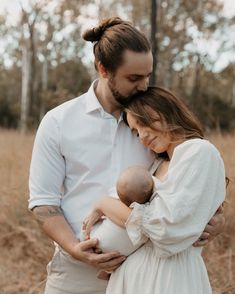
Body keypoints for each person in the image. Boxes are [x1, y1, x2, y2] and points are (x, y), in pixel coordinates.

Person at [28, 17, 225, 294]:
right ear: (103, 70)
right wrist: (77, 250)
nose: (144, 86)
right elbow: (43, 203)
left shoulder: (156, 126)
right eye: (134, 78)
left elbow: (187, 185)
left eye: (147, 76)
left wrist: (214, 220)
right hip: (75, 270)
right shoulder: (59, 122)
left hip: (142, 272)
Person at [83, 86, 227, 294]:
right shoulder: (155, 165)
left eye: (143, 122)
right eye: (135, 131)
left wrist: (104, 204)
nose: (141, 136)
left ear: (165, 110)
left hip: (169, 280)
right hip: (129, 280)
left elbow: (166, 228)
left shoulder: (199, 151)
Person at [81, 165, 154, 280]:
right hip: (123, 252)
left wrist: (103, 204)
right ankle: (107, 272)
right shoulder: (149, 207)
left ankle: (106, 270)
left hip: (97, 241)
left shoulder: (116, 202)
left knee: (90, 225)